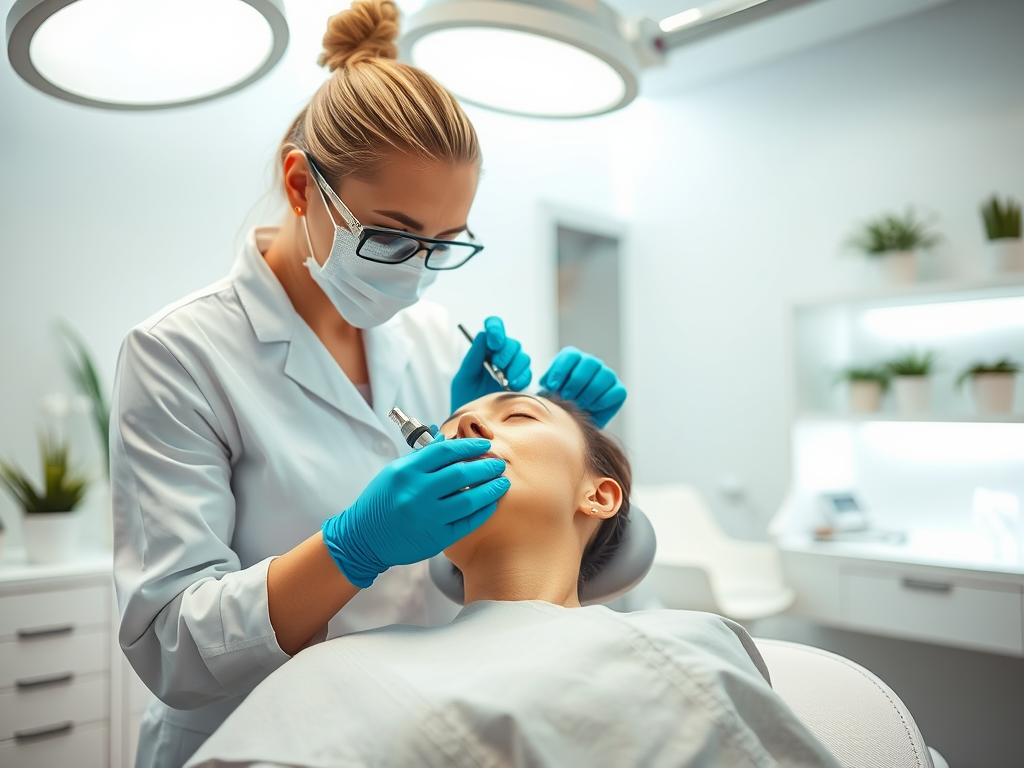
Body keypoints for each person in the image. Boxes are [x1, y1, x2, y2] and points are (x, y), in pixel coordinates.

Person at [109, 2, 627, 766]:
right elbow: (171, 648)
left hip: (405, 727)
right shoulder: (179, 354)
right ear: (299, 186)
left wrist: (545, 454)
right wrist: (353, 548)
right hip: (249, 739)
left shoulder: (423, 336)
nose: (416, 271)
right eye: (390, 235)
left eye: (444, 244)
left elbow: (464, 579)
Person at [183, 392, 842, 768]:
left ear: (600, 495)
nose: (465, 426)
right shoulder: (332, 666)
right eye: (448, 433)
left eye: (519, 416)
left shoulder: (691, 640)